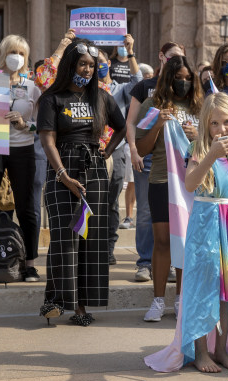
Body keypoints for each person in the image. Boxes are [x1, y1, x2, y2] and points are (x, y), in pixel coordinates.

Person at [144, 92, 228, 373]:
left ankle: (220, 349)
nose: (221, 129)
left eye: (226, 122)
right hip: (206, 225)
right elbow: (189, 184)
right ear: (205, 126)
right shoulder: (199, 148)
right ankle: (200, 352)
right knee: (202, 289)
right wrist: (211, 155)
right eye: (214, 124)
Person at [36, 38, 126, 325]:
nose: (88, 70)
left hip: (93, 169)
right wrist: (63, 176)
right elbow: (47, 139)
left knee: (90, 239)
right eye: (83, 64)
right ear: (70, 65)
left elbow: (122, 128)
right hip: (61, 169)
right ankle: (56, 300)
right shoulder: (52, 98)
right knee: (64, 237)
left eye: (92, 65)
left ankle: (80, 306)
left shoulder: (101, 97)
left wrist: (106, 152)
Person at [135, 55, 202, 321]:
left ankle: (182, 300)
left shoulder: (200, 107)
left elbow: (215, 142)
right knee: (162, 241)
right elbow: (142, 148)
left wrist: (199, 136)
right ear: (167, 78)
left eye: (188, 78)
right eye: (178, 77)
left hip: (192, 182)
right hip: (161, 180)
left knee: (185, 243)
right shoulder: (153, 105)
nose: (183, 83)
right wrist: (159, 124)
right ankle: (158, 301)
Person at [0, 34, 41, 284]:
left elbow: (42, 127)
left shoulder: (33, 87)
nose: (17, 57)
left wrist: (25, 124)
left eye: (22, 53)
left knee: (28, 209)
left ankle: (30, 265)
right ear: (3, 55)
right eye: (12, 52)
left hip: (23, 150)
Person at [126, 42, 185, 284]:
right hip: (146, 156)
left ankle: (169, 262)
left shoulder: (183, 91)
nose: (176, 62)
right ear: (161, 57)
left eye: (180, 58)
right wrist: (133, 150)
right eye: (172, 57)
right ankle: (144, 263)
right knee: (146, 212)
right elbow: (131, 122)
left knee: (172, 213)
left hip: (173, 160)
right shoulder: (145, 87)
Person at [97, 35, 143, 265]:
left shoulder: (121, 89)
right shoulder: (84, 90)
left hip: (114, 150)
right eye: (93, 62)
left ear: (109, 64)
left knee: (111, 201)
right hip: (90, 150)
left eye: (101, 61)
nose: (98, 65)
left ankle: (108, 247)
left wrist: (130, 51)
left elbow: (138, 80)